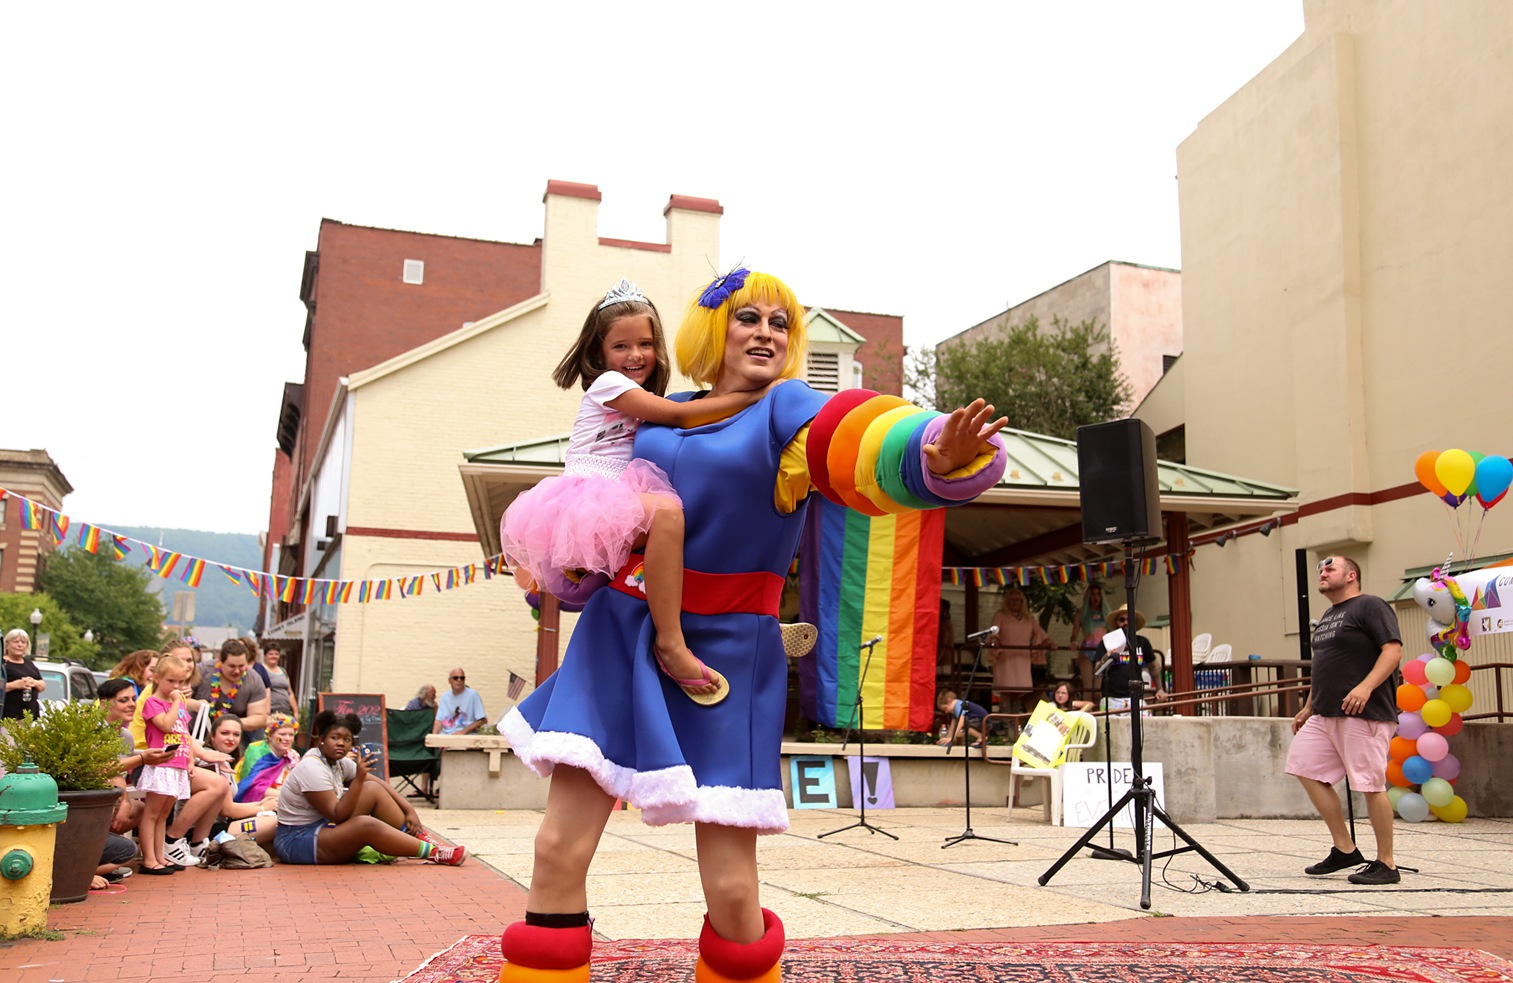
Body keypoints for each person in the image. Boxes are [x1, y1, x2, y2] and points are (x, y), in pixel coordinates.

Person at [498, 268, 1007, 981]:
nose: (765, 331)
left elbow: (851, 436)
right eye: (748, 317)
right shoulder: (655, 407)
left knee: (733, 887)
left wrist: (928, 452)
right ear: (716, 331)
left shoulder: (785, 413)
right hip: (620, 634)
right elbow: (609, 508)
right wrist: (574, 571)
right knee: (556, 848)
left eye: (779, 321)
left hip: (726, 658)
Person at [500, 278, 770, 705]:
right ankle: (671, 643)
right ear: (600, 354)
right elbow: (681, 415)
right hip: (591, 499)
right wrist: (756, 396)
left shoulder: (640, 394)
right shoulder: (608, 385)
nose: (635, 355)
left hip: (615, 497)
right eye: (621, 346)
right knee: (668, 515)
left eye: (644, 343)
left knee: (688, 520)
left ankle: (720, 613)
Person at [1286, 555, 1403, 886]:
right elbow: (1325, 664)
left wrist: (1365, 688)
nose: (1322, 573)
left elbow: (1392, 651)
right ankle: (1345, 848)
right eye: (1320, 570)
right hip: (1325, 712)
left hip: (1363, 712)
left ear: (1351, 575)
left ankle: (1387, 863)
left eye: (1330, 568)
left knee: (1369, 784)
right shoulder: (1328, 615)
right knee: (1303, 766)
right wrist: (1309, 706)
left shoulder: (1371, 606)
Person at [274, 709, 465, 866]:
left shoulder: (337, 762)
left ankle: (420, 836)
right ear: (321, 739)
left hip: (320, 829)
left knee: (372, 789)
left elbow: (377, 784)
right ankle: (434, 853)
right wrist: (359, 777)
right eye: (335, 737)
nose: (341, 743)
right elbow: (337, 814)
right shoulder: (312, 767)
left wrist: (409, 809)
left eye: (347, 740)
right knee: (366, 825)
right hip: (296, 841)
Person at [190, 638, 270, 743]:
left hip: (233, 742)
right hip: (196, 737)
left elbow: (260, 717)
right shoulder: (202, 670)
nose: (237, 671)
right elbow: (179, 699)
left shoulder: (254, 679)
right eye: (232, 666)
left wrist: (230, 724)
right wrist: (196, 705)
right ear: (220, 661)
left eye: (241, 666)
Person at [986, 587, 1052, 712]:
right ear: (1007, 602)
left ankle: (1015, 723)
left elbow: (1040, 632)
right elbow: (994, 631)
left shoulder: (1028, 617)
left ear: (1022, 602)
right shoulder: (1000, 615)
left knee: (1018, 693)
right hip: (1006, 660)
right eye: (1011, 600)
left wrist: (1049, 642)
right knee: (1006, 693)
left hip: (1023, 660)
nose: (1014, 602)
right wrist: (994, 640)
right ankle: (1005, 723)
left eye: (1017, 600)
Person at [1097, 604, 1164, 711]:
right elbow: (1097, 670)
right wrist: (1106, 657)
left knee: (1145, 725)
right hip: (1111, 699)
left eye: (1129, 619)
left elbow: (1154, 666)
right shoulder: (1106, 642)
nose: (1125, 623)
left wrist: (1159, 689)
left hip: (1136, 698)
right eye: (1122, 620)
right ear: (1116, 623)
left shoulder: (1143, 642)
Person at [2, 627, 45, 720]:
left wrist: (34, 683)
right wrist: (15, 685)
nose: (20, 645)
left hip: (30, 718)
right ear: (7, 644)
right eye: (16, 642)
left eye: (23, 642)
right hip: (8, 719)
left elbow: (42, 685)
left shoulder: (29, 664)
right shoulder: (2, 664)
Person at [433, 668, 487, 735]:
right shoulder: (445, 697)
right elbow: (439, 720)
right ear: (449, 681)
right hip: (447, 736)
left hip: (467, 737)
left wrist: (463, 732)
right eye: (455, 678)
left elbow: (482, 720)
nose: (459, 680)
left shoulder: (473, 695)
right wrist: (434, 737)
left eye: (462, 678)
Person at [262, 643, 295, 717]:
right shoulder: (261, 670)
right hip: (270, 712)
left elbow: (290, 693)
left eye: (276, 654)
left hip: (285, 712)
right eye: (270, 654)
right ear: (265, 656)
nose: (274, 656)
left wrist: (296, 712)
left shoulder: (283, 671)